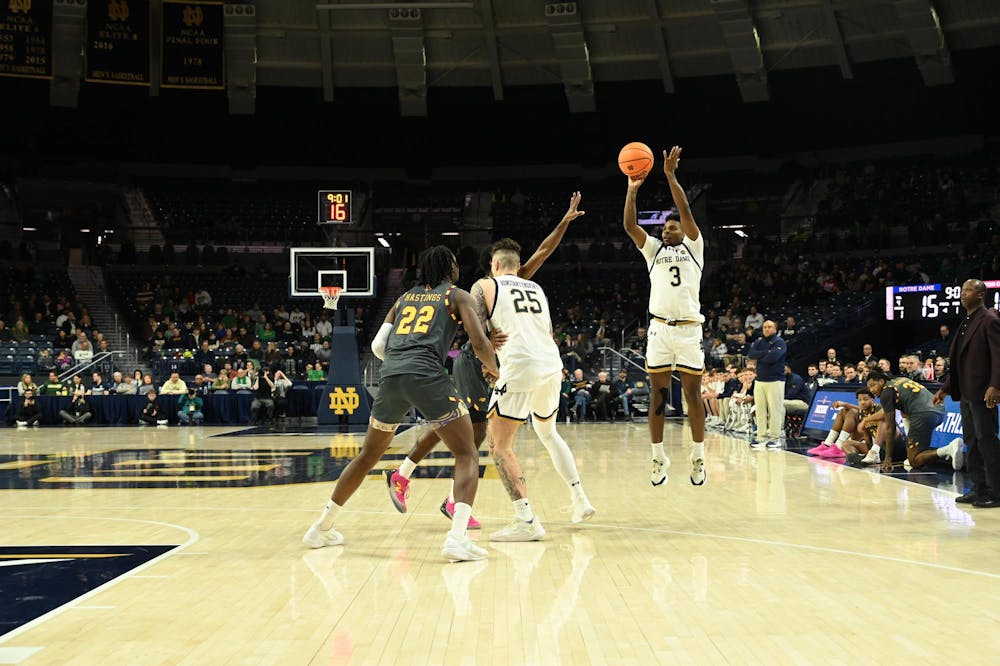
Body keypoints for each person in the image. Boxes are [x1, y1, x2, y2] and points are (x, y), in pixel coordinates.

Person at [384, 193, 586, 528]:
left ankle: (449, 500)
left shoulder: (519, 280)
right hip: (475, 360)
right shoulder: (482, 289)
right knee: (462, 430)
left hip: (491, 360)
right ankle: (404, 476)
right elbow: (470, 331)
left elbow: (543, 252)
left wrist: (564, 222)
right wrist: (488, 350)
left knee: (472, 436)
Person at [303, 246, 499, 562]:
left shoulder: (404, 298)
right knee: (466, 453)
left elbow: (378, 345)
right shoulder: (456, 295)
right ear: (450, 267)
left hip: (390, 375)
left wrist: (400, 365)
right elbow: (479, 343)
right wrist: (494, 368)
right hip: (426, 375)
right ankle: (457, 539)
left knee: (367, 455)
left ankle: (321, 527)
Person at [477, 239, 596, 541]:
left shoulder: (485, 286)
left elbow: (475, 332)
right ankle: (580, 499)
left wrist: (490, 361)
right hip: (551, 365)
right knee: (548, 433)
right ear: (518, 266)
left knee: (498, 446)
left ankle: (525, 520)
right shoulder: (537, 289)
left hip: (520, 366)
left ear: (494, 265)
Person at [624, 145, 707, 487]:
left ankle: (698, 456)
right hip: (659, 330)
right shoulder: (653, 252)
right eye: (664, 229)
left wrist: (670, 175)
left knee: (692, 396)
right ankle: (658, 457)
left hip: (689, 331)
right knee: (657, 397)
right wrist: (632, 190)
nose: (666, 231)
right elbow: (630, 226)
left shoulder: (694, 246)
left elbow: (685, 208)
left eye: (671, 228)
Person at [933, 279, 1000, 507]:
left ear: (981, 295)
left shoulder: (989, 319)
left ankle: (995, 491)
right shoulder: (967, 321)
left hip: (983, 392)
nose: (963, 294)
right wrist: (945, 388)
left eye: (969, 290)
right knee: (971, 442)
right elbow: (961, 362)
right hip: (967, 394)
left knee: (987, 442)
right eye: (962, 290)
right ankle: (978, 488)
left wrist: (996, 385)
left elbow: (998, 356)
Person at [866, 368, 961, 472]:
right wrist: (909, 443)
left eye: (873, 385)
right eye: (869, 387)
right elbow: (904, 413)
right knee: (916, 452)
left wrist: (888, 458)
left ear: (881, 381)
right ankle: (944, 451)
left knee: (914, 461)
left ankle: (948, 449)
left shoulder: (886, 393)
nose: (871, 390)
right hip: (939, 410)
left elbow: (890, 427)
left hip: (923, 414)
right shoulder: (900, 380)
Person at [747, 320, 787, 448]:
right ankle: (761, 437)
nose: (766, 329)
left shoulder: (779, 342)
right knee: (760, 410)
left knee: (775, 410)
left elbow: (773, 358)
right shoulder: (759, 341)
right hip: (760, 380)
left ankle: (775, 438)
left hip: (775, 380)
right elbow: (751, 354)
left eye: (769, 327)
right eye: (765, 327)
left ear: (775, 328)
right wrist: (766, 352)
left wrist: (761, 355)